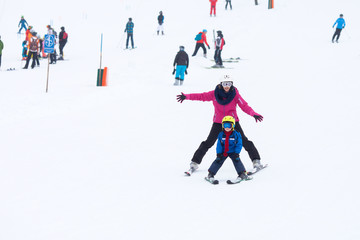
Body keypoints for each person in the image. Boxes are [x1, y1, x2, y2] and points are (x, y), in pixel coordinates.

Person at [176, 75, 264, 173]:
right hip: (218, 123)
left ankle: (256, 161)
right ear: (221, 84)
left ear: (232, 84)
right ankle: (194, 163)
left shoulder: (235, 94)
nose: (227, 86)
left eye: (229, 84)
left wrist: (253, 114)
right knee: (208, 143)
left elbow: (244, 106)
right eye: (225, 84)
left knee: (244, 141)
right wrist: (186, 96)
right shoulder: (214, 94)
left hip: (232, 122)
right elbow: (201, 96)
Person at [205, 116, 252, 183]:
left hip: (233, 152)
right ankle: (211, 174)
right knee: (218, 161)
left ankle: (242, 174)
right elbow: (219, 144)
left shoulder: (236, 134)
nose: (227, 127)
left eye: (229, 125)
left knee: (237, 161)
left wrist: (236, 153)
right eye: (225, 125)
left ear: (233, 125)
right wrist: (218, 153)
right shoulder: (221, 134)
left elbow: (239, 144)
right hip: (224, 152)